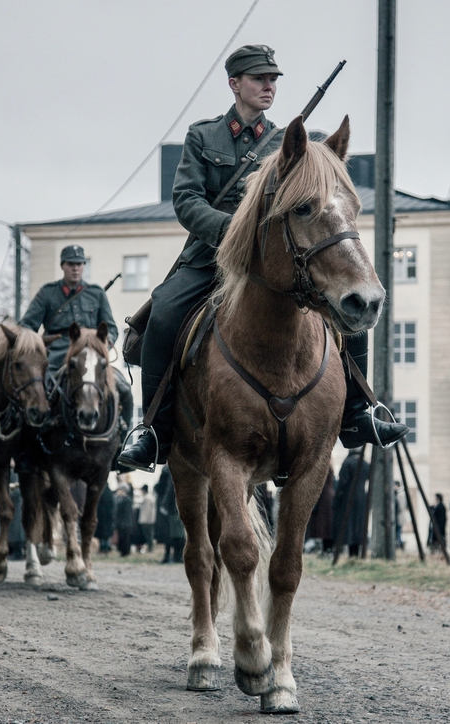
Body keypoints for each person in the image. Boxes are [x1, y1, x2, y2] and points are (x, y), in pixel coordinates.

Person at [117, 44, 405, 471]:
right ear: (235, 84)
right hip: (211, 257)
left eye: (273, 80)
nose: (268, 86)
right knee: (162, 315)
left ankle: (359, 413)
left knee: (347, 310)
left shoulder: (290, 143)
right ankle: (152, 431)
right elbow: (186, 199)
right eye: (258, 79)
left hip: (277, 260)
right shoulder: (203, 136)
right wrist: (231, 232)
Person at [21, 244, 133, 433]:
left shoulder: (96, 294)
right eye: (71, 264)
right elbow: (27, 328)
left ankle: (123, 438)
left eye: (80, 264)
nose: (76, 268)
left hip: (92, 357)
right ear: (62, 266)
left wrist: (101, 344)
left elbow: (111, 328)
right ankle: (33, 441)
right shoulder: (47, 293)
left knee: (124, 391)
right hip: (57, 355)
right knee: (39, 392)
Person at [333, 448, 370, 557]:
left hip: (348, 498)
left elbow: (342, 482)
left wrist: (336, 499)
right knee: (358, 525)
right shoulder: (365, 464)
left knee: (349, 525)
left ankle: (351, 554)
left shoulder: (348, 462)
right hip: (361, 497)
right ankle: (356, 552)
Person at [306, 467, 336, 553]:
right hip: (326, 497)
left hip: (323, 497)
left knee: (324, 526)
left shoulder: (324, 468)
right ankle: (327, 548)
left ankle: (327, 549)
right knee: (326, 526)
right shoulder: (329, 469)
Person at [114, 479, 135, 556]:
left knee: (125, 538)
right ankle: (122, 551)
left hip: (125, 522)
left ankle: (125, 551)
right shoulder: (120, 499)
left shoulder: (127, 500)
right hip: (121, 522)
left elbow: (126, 513)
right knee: (122, 537)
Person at [95, 478, 116, 554]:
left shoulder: (101, 491)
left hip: (102, 517)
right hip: (108, 518)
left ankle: (103, 548)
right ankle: (105, 548)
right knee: (106, 535)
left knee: (102, 536)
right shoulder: (109, 492)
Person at [137, 483, 156, 553]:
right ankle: (150, 547)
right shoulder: (148, 497)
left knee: (148, 535)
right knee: (149, 535)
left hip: (147, 520)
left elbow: (147, 511)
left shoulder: (147, 498)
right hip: (148, 520)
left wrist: (144, 520)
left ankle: (150, 548)